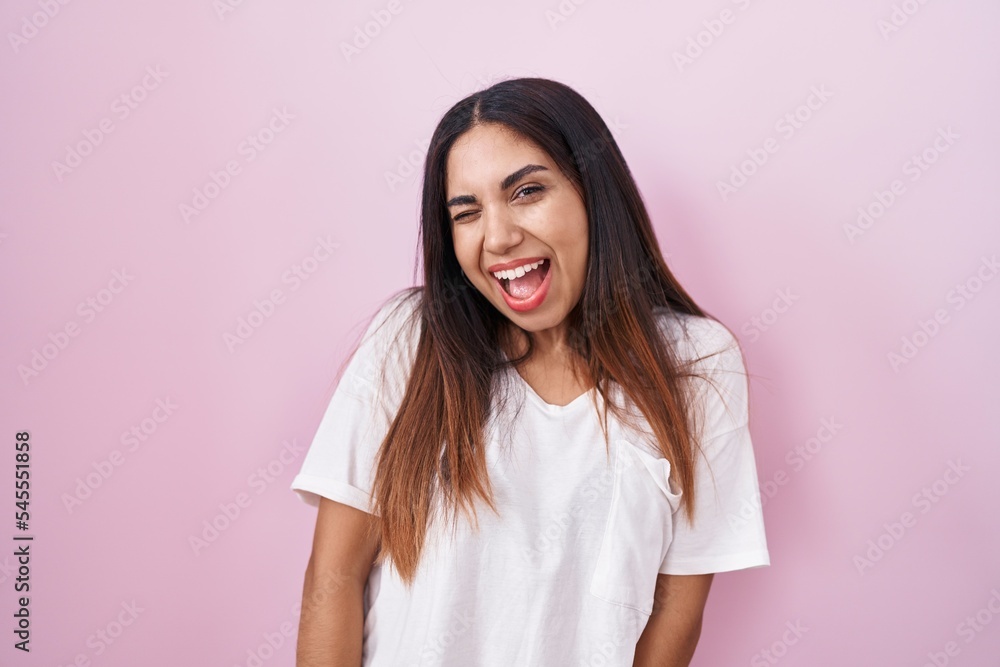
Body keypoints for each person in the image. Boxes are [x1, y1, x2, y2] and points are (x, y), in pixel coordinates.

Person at [290, 77, 770, 667]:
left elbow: (676, 612)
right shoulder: (410, 341)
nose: (498, 236)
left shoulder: (695, 364)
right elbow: (333, 580)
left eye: (526, 192)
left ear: (595, 193)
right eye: (466, 213)